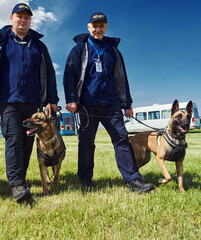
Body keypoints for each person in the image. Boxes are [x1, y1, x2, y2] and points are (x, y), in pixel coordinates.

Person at [63, 12, 154, 193]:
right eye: (94, 26)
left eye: (101, 26)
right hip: (87, 104)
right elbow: (69, 75)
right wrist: (71, 99)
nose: (98, 29)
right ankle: (86, 179)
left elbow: (121, 77)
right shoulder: (79, 49)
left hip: (111, 104)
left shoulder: (113, 49)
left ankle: (133, 180)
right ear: (88, 27)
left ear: (106, 27)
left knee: (122, 140)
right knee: (86, 142)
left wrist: (126, 103)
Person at [0, 3, 59, 202]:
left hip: (32, 102)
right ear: (12, 18)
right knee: (13, 140)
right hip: (8, 101)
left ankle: (20, 179)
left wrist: (52, 100)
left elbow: (49, 72)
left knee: (28, 143)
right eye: (19, 16)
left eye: (26, 17)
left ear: (30, 20)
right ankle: (16, 185)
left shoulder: (39, 45)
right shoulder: (0, 41)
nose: (23, 20)